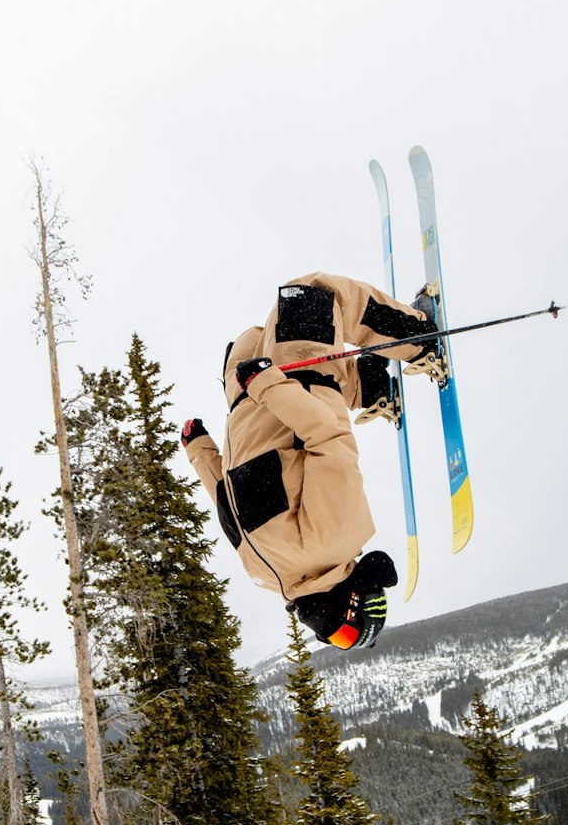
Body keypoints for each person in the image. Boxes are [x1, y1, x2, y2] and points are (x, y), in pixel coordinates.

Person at [181, 272, 445, 650]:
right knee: (314, 296)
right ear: (353, 603)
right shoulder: (332, 541)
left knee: (253, 340)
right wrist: (266, 385)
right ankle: (420, 340)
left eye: (336, 638)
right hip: (283, 386)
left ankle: (372, 387)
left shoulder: (269, 575)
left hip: (249, 400)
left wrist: (198, 450)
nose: (327, 631)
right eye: (343, 632)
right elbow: (329, 438)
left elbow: (227, 497)